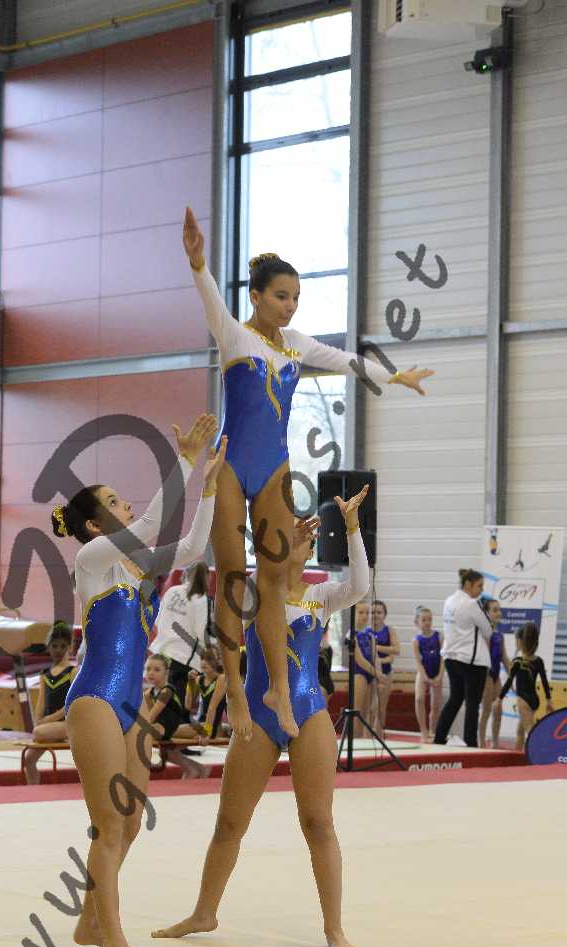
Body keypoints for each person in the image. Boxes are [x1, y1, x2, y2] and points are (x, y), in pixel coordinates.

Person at [182, 206, 433, 746]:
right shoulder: (234, 335)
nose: (290, 305)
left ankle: (277, 687)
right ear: (256, 296)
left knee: (274, 578)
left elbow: (346, 361)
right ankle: (233, 687)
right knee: (233, 579)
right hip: (231, 466)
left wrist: (396, 376)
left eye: (295, 297)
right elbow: (209, 301)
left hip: (274, 466)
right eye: (281, 296)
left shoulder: (295, 343)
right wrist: (198, 263)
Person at [152, 485, 371, 947]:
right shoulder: (254, 589)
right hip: (258, 713)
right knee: (230, 822)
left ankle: (334, 927)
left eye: (308, 537)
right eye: (292, 534)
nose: (304, 538)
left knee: (318, 821)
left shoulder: (320, 596)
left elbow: (360, 586)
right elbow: (234, 623)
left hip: (309, 711)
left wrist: (352, 526)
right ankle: (204, 912)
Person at [53, 414, 226, 947]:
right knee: (109, 826)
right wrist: (186, 458)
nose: (125, 504)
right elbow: (152, 521)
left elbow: (193, 548)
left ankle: (89, 919)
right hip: (95, 699)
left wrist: (209, 490)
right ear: (95, 523)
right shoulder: (91, 562)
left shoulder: (134, 568)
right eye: (114, 501)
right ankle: (114, 946)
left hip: (128, 705)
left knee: (129, 823)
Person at [433, 568, 493, 748]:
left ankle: (439, 737)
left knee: (455, 698)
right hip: (471, 661)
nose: (481, 590)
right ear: (468, 584)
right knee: (472, 704)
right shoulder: (471, 604)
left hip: (451, 658)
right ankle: (471, 743)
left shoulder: (449, 601)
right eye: (479, 586)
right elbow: (488, 630)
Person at [149, 560, 211, 708]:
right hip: (182, 660)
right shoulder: (201, 599)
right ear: (206, 578)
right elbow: (201, 632)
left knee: (158, 704)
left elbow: (157, 621)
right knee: (176, 707)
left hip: (159, 654)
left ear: (186, 574)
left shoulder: (172, 591)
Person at [143, 652, 209, 781]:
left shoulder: (167, 691)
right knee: (168, 751)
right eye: (148, 669)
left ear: (167, 672)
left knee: (139, 733)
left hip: (172, 727)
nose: (151, 673)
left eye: (157, 670)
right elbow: (148, 716)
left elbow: (151, 717)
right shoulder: (149, 693)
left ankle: (140, 766)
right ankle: (198, 768)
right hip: (168, 729)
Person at [23, 622, 75, 785]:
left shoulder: (72, 672)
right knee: (29, 760)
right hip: (48, 726)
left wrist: (49, 720)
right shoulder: (45, 674)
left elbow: (71, 705)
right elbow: (41, 702)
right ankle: (33, 790)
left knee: (39, 732)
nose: (58, 650)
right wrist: (38, 720)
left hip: (67, 723)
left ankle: (48, 731)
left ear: (70, 647)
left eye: (63, 646)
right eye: (54, 646)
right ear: (48, 647)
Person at [494, 621, 553, 752]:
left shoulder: (518, 662)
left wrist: (499, 699)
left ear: (520, 642)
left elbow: (509, 682)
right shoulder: (539, 661)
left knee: (530, 732)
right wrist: (549, 701)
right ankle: (518, 756)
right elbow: (544, 682)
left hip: (523, 701)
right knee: (520, 732)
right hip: (534, 700)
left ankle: (543, 754)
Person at [478, 599, 512, 748]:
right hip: (486, 675)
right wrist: (486, 678)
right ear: (486, 613)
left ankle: (495, 742)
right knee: (486, 710)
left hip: (496, 675)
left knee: (498, 709)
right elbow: (483, 657)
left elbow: (504, 658)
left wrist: (512, 675)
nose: (499, 612)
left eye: (499, 609)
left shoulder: (499, 635)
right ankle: (480, 743)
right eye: (495, 610)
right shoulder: (484, 633)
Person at [368, 600, 399, 737]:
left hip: (386, 672)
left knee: (381, 706)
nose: (376, 615)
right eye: (373, 612)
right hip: (370, 672)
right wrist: (385, 656)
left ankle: (379, 734)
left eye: (379, 612)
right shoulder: (366, 631)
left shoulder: (389, 630)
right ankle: (368, 735)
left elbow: (396, 650)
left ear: (384, 614)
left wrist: (377, 648)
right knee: (370, 707)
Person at [412, 606, 443, 743]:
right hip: (423, 672)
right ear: (417, 622)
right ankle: (423, 731)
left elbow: (443, 658)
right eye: (424, 620)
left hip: (437, 672)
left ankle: (433, 730)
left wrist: (440, 676)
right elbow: (418, 662)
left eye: (429, 619)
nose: (427, 622)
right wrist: (425, 677)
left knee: (436, 704)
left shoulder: (439, 636)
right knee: (419, 699)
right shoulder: (416, 640)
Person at [349, 599, 377, 738]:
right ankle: (355, 738)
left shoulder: (370, 634)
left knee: (368, 711)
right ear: (354, 614)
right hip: (359, 673)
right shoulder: (351, 634)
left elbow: (374, 656)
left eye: (367, 613)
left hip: (371, 673)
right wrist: (377, 673)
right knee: (357, 711)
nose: (365, 616)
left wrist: (377, 673)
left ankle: (364, 739)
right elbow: (359, 659)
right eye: (361, 613)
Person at [190, 647, 227, 739]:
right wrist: (190, 683)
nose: (204, 662)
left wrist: (207, 732)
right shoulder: (199, 679)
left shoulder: (221, 679)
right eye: (202, 658)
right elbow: (188, 705)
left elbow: (212, 708)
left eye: (209, 659)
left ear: (218, 661)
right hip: (199, 722)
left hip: (209, 725)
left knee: (170, 731)